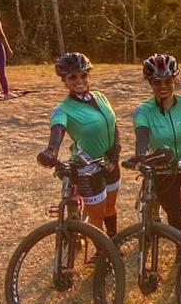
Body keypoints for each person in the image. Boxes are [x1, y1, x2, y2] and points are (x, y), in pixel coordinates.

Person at [36, 53, 121, 234]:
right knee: (96, 217)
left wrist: (116, 150)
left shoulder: (100, 96)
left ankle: (113, 243)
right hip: (87, 167)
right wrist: (51, 150)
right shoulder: (63, 109)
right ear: (64, 80)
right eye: (72, 77)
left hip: (110, 161)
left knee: (110, 208)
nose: (79, 81)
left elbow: (113, 124)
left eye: (83, 75)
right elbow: (58, 128)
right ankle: (101, 248)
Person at [133, 53, 181, 238]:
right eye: (157, 82)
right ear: (150, 83)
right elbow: (141, 134)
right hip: (163, 169)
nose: (163, 86)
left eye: (168, 81)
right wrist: (141, 155)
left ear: (174, 80)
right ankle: (180, 248)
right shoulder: (143, 111)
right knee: (174, 214)